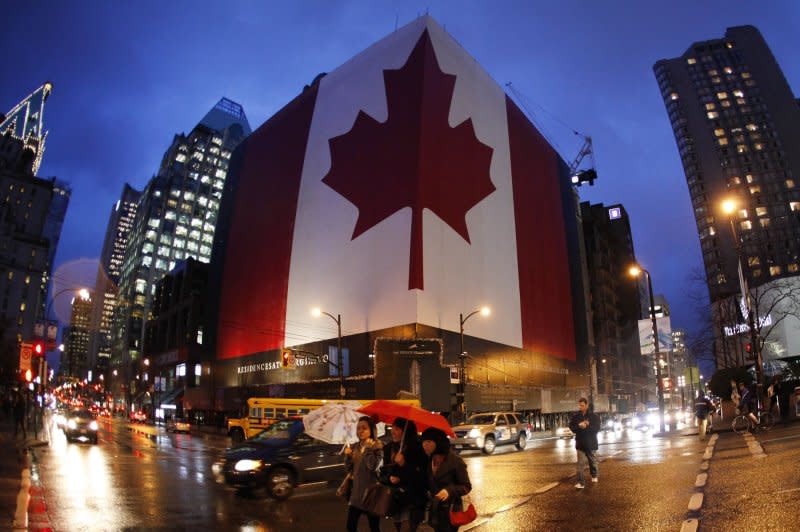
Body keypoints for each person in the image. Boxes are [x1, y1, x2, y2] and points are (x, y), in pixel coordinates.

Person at [421, 427, 472, 532]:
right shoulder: (429, 460)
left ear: (438, 442)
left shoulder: (455, 461)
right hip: (435, 512)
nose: (424, 445)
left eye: (429, 442)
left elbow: (466, 486)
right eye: (423, 441)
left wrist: (449, 491)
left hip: (450, 511)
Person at [382, 418, 426, 532]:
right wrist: (389, 478)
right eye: (392, 428)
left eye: (397, 429)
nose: (392, 432)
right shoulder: (389, 449)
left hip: (412, 499)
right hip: (395, 499)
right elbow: (382, 473)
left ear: (406, 431)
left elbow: (422, 476)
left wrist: (404, 464)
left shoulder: (418, 448)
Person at [344, 416, 383, 532]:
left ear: (371, 430)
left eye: (364, 428)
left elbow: (374, 466)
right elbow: (350, 470)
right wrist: (347, 457)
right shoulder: (356, 446)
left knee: (374, 527)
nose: (360, 431)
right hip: (356, 494)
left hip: (371, 494)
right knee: (350, 527)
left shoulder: (378, 446)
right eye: (358, 428)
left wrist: (368, 449)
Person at [568, 397, 600, 489]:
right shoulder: (576, 417)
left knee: (592, 462)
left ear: (586, 405)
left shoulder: (594, 416)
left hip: (591, 443)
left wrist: (587, 426)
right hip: (580, 443)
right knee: (580, 464)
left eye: (582, 405)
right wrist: (579, 426)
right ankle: (581, 482)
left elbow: (597, 428)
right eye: (580, 405)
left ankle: (594, 475)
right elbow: (572, 427)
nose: (581, 407)